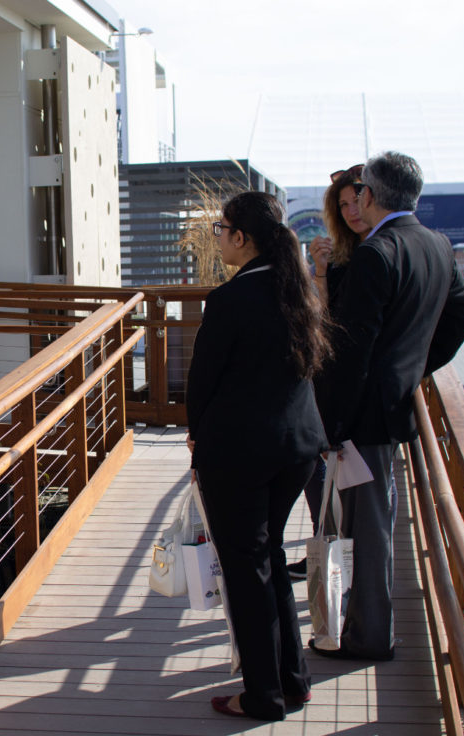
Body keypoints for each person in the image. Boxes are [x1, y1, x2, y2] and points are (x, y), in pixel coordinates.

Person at [312, 151, 464, 661]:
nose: (356, 200)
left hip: (364, 416)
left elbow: (352, 349)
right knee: (375, 520)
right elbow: (463, 312)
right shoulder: (437, 245)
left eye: (359, 192)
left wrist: (331, 424)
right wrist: (416, 366)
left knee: (370, 525)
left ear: (370, 195)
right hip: (392, 403)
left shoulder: (375, 253)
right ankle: (366, 629)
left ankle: (370, 636)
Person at [185, 191, 329, 721]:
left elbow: (203, 383)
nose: (218, 236)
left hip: (240, 453)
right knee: (265, 559)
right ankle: (294, 680)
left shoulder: (229, 300)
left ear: (242, 238)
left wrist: (196, 437)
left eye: (221, 228)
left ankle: (263, 695)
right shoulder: (302, 290)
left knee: (246, 569)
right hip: (296, 448)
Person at [289, 163, 372, 582]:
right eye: (342, 204)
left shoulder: (381, 248)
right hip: (328, 371)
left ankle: (340, 553)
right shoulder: (339, 253)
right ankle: (326, 541)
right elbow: (322, 314)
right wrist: (320, 270)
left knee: (343, 472)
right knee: (320, 460)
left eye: (356, 200)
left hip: (358, 384)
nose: (351, 210)